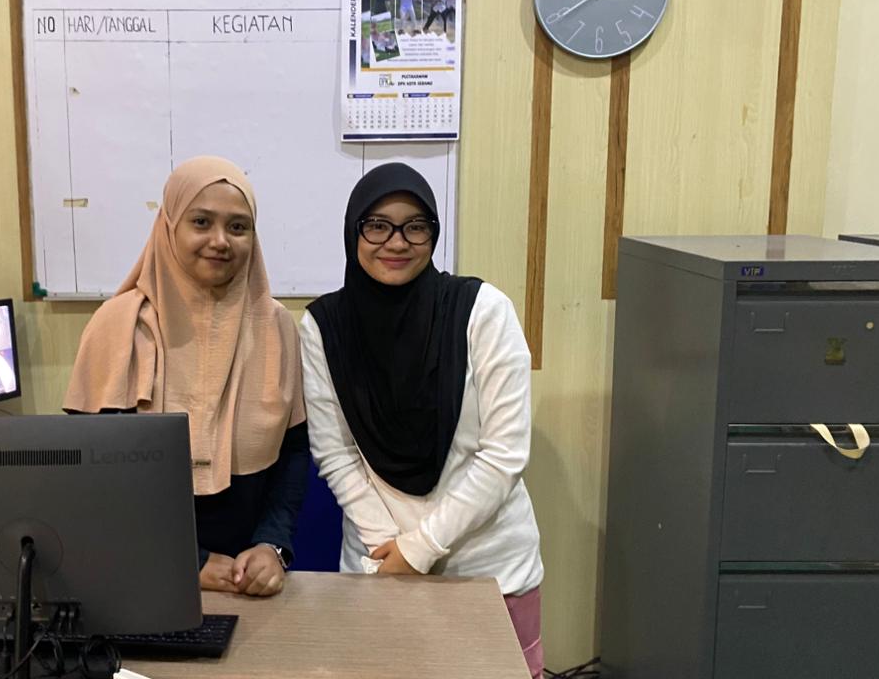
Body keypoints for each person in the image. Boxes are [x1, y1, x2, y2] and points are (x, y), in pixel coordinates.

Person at [299, 163, 545, 678]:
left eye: (415, 226)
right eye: (377, 225)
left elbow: (504, 456)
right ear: (353, 231)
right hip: (377, 563)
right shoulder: (324, 326)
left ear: (433, 233)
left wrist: (419, 549)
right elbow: (335, 452)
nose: (397, 241)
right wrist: (389, 550)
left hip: (487, 569)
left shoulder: (483, 311)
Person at [64, 156, 308, 598]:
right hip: (138, 571)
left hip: (245, 576)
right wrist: (188, 561)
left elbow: (293, 451)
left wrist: (272, 545)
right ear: (169, 225)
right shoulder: (117, 325)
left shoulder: (275, 327)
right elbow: (92, 474)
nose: (220, 241)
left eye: (238, 227)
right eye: (201, 222)